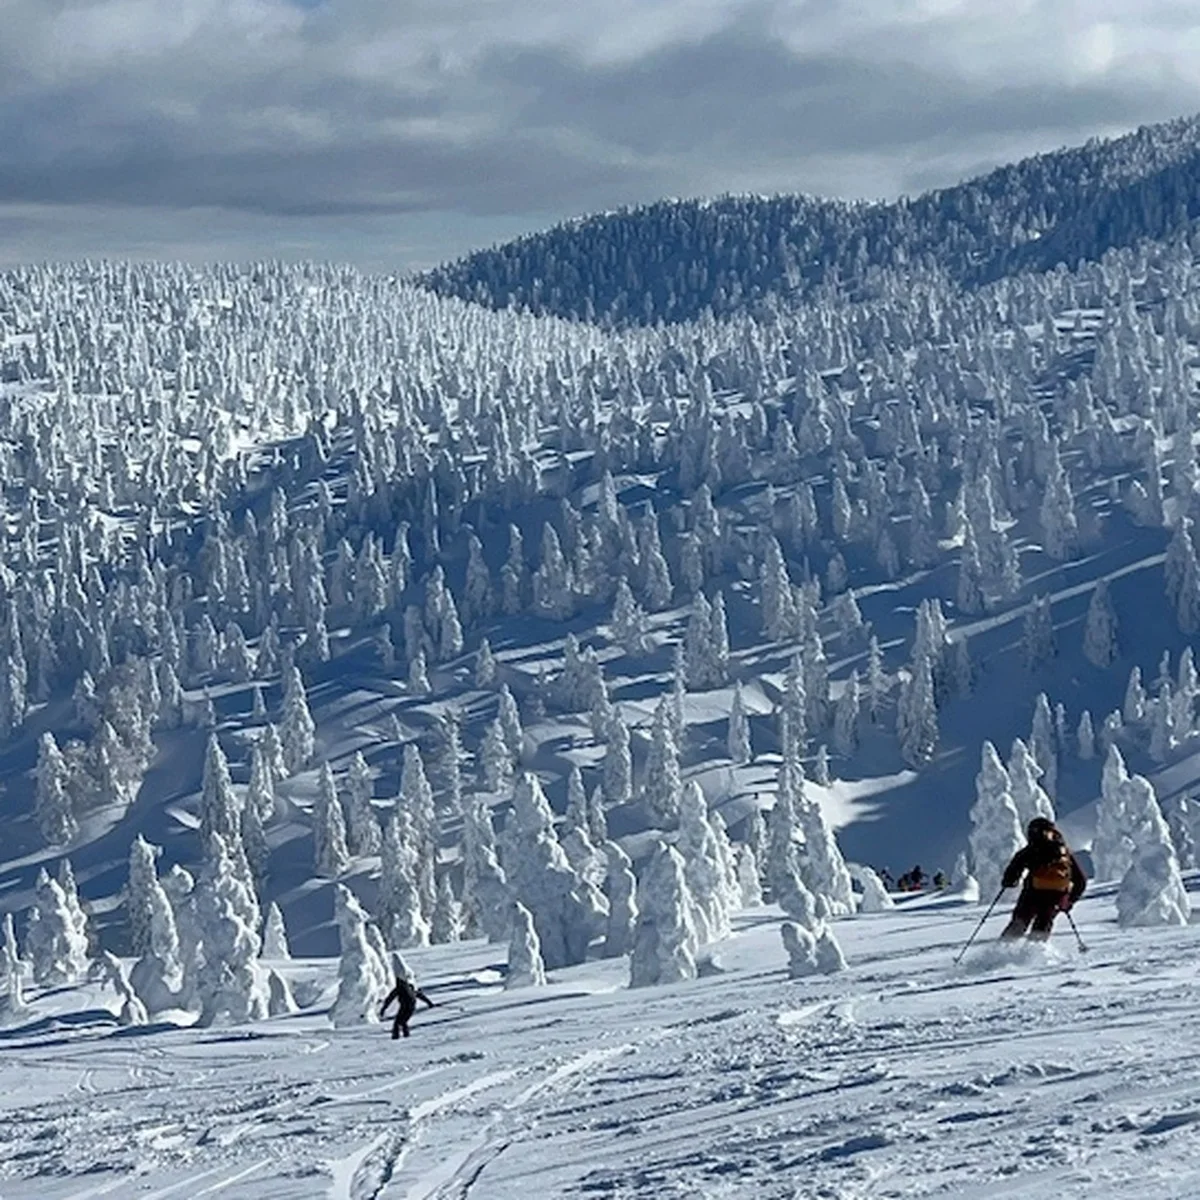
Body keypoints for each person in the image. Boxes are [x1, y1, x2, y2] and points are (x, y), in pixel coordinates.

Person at [1000, 817, 1087, 941]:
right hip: (1056, 897)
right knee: (1043, 925)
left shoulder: (1030, 851)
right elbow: (1080, 881)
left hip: (1032, 894)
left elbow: (1012, 874)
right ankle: (1035, 954)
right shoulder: (1063, 853)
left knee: (1019, 923)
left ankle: (1001, 951)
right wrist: (1070, 900)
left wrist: (1009, 881)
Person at [380, 973, 435, 1039]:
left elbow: (390, 999)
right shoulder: (410, 988)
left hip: (405, 1006)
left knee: (398, 1023)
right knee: (403, 1022)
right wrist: (430, 1003)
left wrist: (383, 1009)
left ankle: (396, 1038)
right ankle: (406, 1036)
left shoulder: (399, 989)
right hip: (412, 1006)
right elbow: (420, 995)